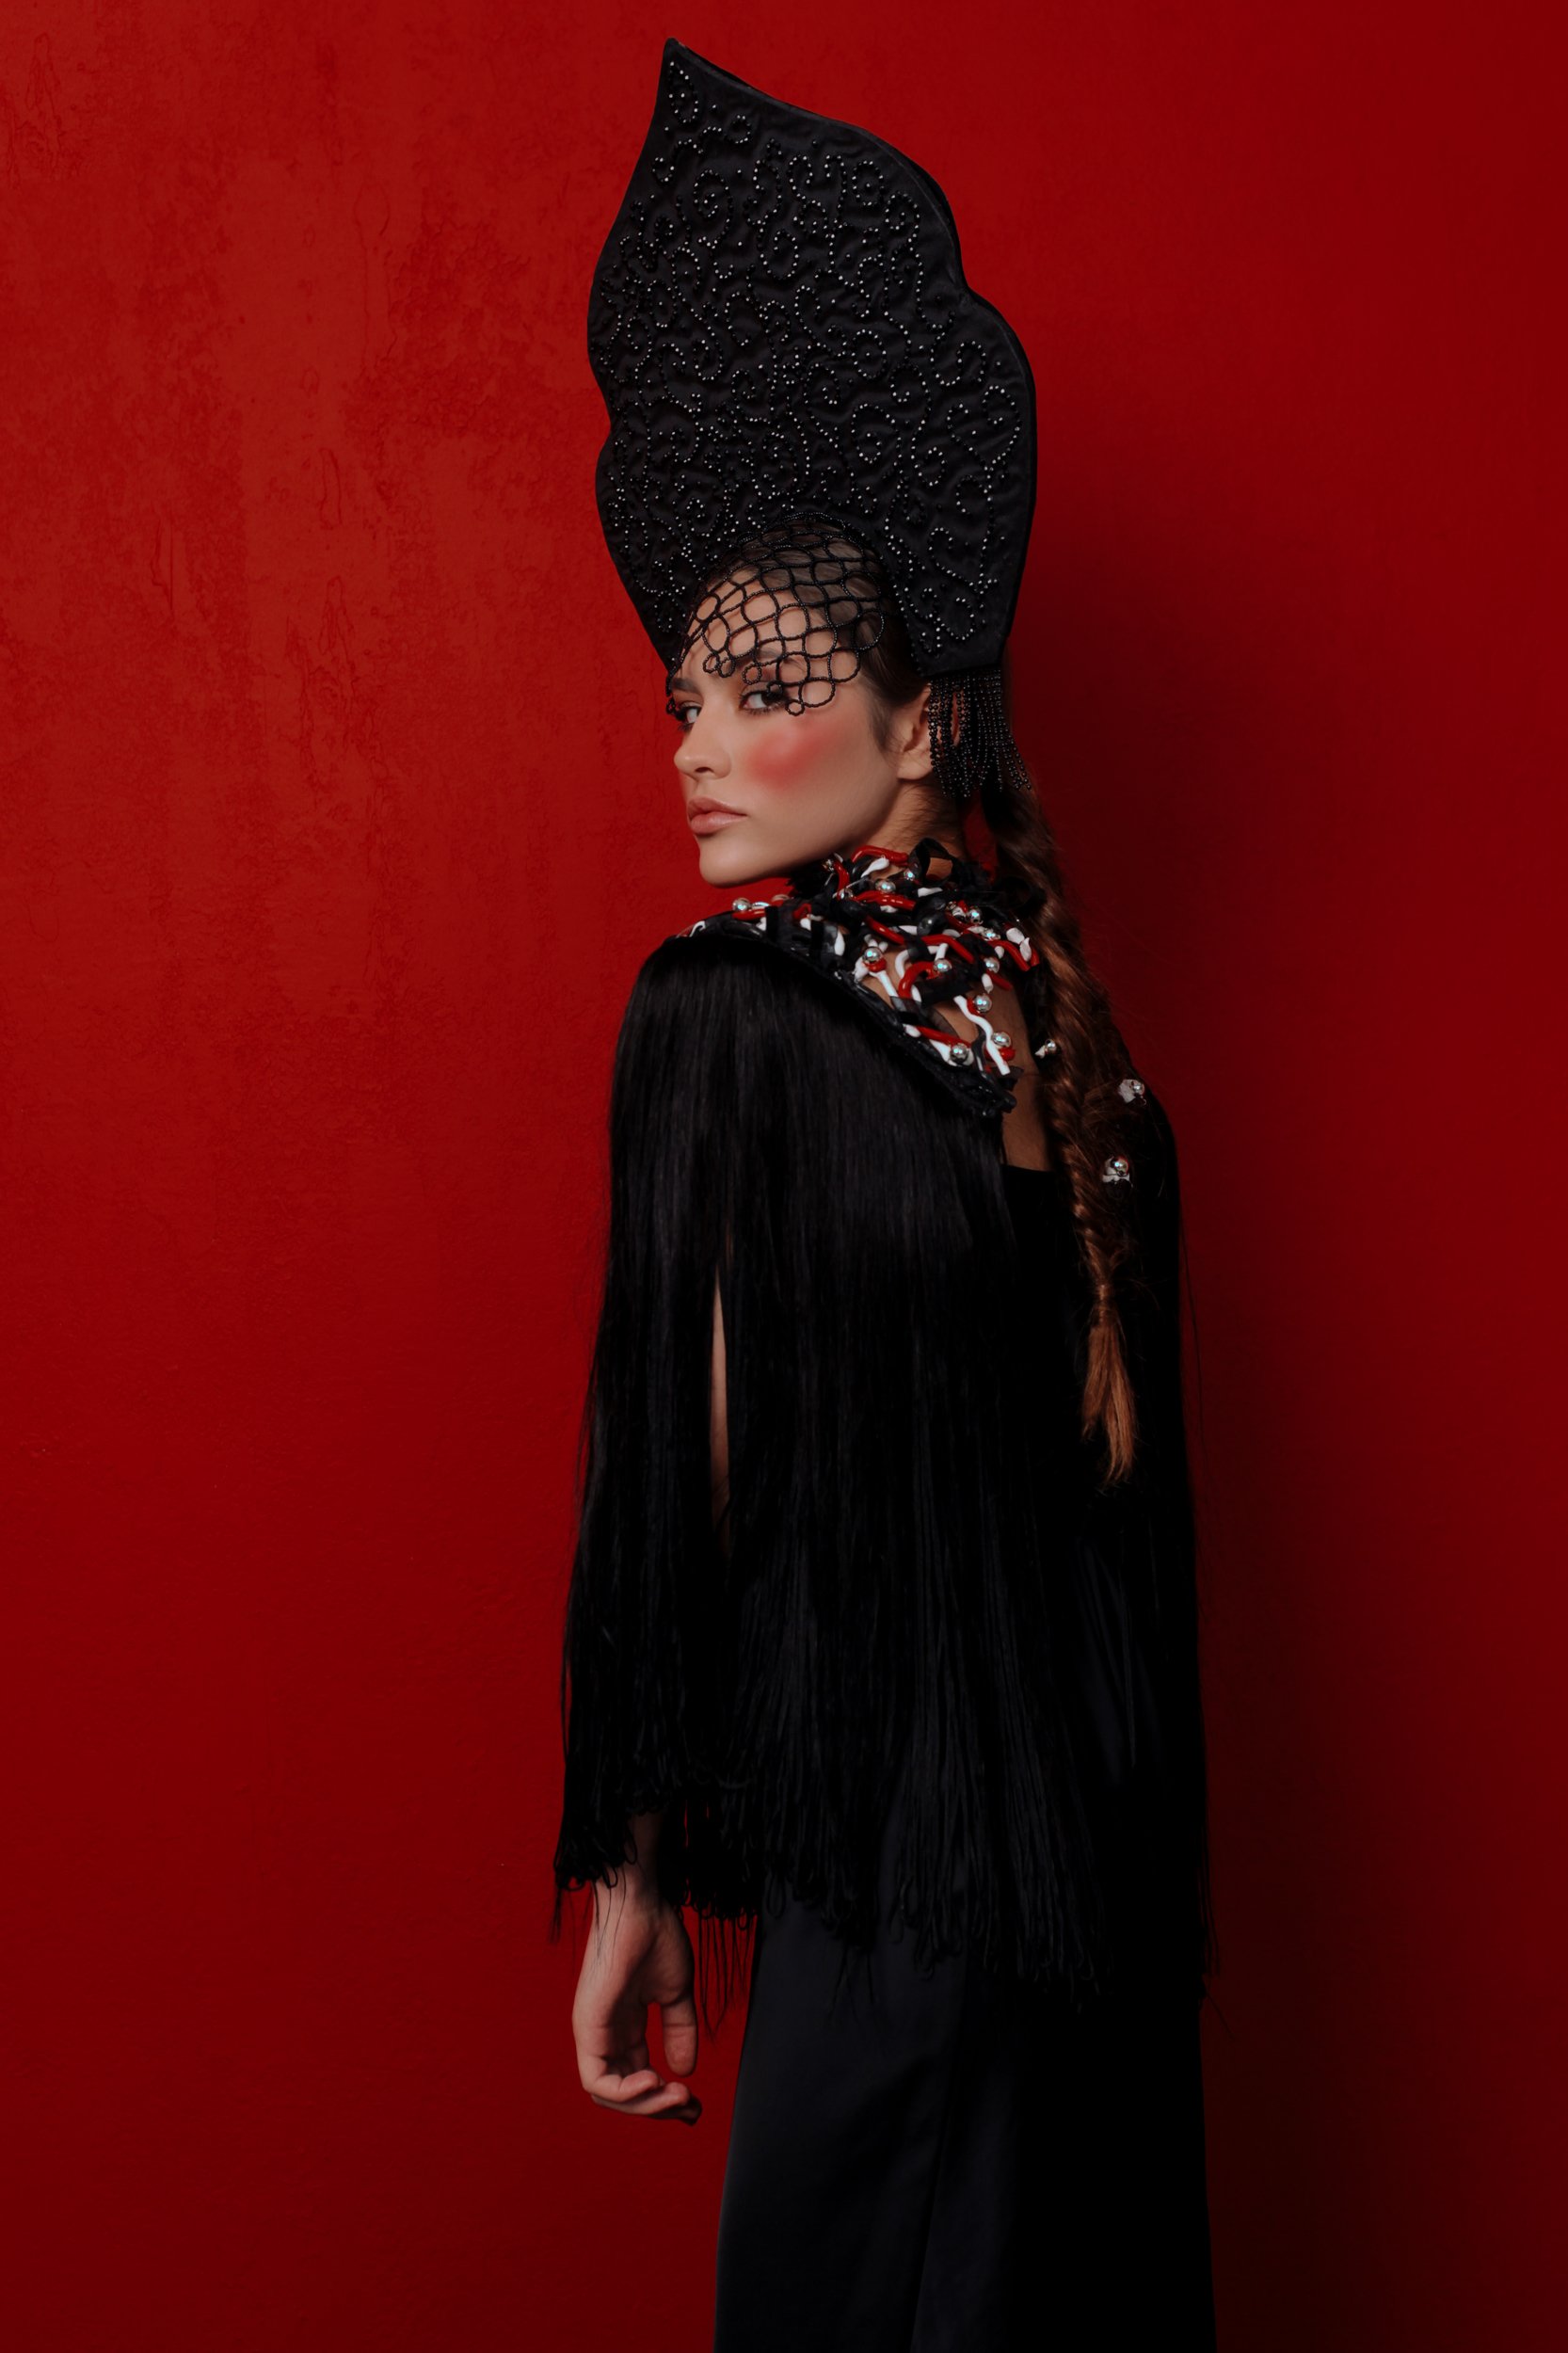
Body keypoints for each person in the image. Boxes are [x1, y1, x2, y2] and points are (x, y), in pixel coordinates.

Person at [551, 40, 1220, 2348]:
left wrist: (636, 1867)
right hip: (1079, 1902)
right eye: (682, 698)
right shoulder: (1068, 1035)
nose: (696, 749)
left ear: (919, 719)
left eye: (758, 690)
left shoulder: (736, 1007)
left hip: (917, 1890)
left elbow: (686, 1464)